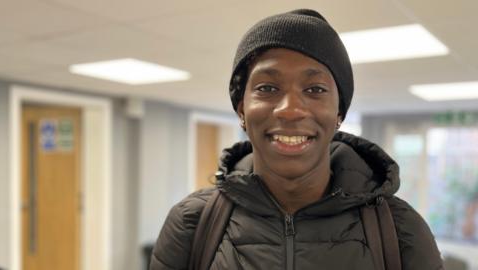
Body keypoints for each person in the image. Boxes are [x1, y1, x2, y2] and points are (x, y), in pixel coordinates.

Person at [150, 9, 443, 270]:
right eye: (267, 87)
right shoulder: (193, 222)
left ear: (339, 112)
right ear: (241, 108)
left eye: (315, 89)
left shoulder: (399, 228)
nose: (290, 110)